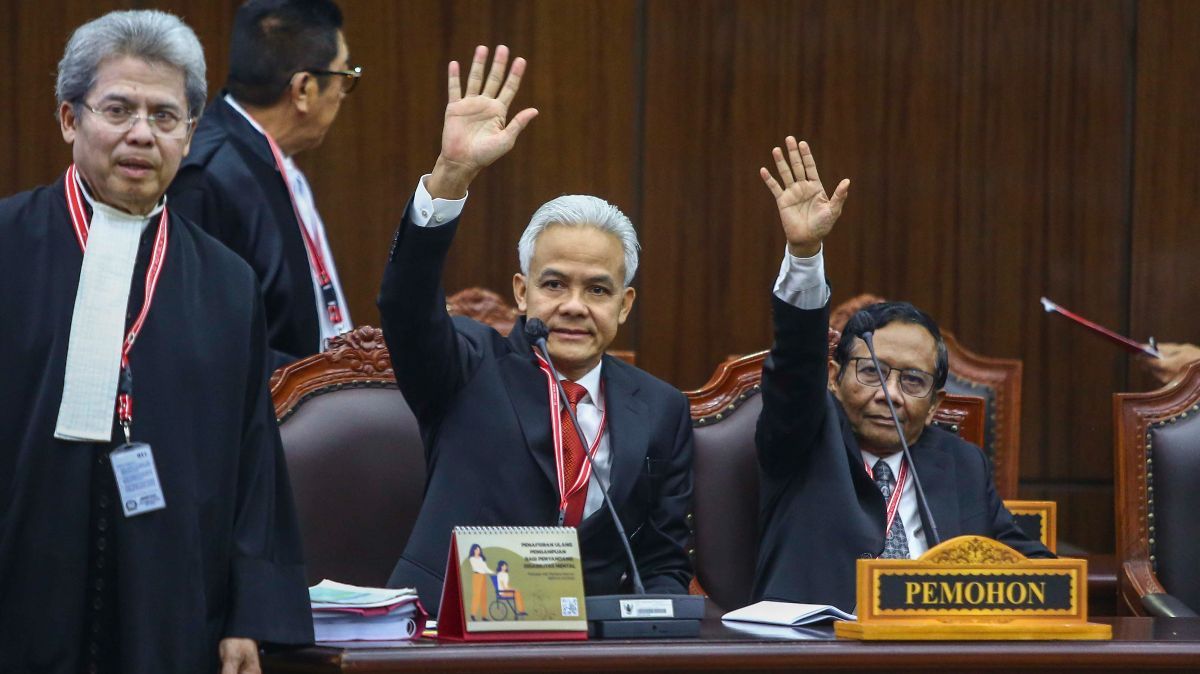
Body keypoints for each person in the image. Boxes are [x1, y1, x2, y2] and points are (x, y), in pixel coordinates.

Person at [0, 10, 312, 673]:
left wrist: (248, 616)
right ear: (69, 120)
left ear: (191, 134)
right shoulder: (6, 246)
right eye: (118, 109)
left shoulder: (228, 284)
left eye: (165, 117)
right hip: (21, 586)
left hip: (172, 598)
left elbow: (254, 462)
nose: (142, 134)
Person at [379, 45, 694, 613]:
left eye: (597, 290)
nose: (574, 306)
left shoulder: (662, 409)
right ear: (522, 293)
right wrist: (451, 175)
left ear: (625, 306)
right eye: (554, 285)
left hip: (588, 644)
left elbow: (664, 563)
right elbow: (404, 306)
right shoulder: (468, 366)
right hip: (450, 632)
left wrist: (652, 630)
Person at [752, 136, 1052, 612]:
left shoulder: (962, 465)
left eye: (912, 382)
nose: (888, 395)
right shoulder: (803, 439)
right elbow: (793, 364)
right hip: (819, 650)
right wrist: (805, 253)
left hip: (935, 648)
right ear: (833, 377)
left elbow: (1030, 567)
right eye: (871, 373)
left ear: (935, 405)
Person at [170, 0, 358, 369]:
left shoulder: (270, 157)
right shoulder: (204, 178)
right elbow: (203, 344)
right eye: (344, 76)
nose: (342, 93)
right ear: (303, 89)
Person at [466, 544, 493, 621]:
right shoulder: (472, 559)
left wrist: (493, 572)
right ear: (473, 550)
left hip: (483, 577)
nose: (478, 551)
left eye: (479, 549)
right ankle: (473, 614)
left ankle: (484, 616)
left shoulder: (481, 558)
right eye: (476, 549)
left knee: (484, 596)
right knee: (476, 596)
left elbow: (485, 568)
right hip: (477, 576)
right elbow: (479, 568)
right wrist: (484, 569)